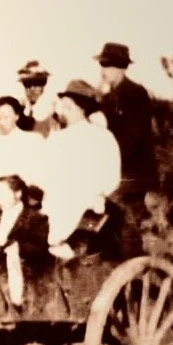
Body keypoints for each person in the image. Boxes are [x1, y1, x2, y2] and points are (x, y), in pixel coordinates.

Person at [39, 79, 122, 259]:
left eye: (68, 107)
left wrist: (93, 193)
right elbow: (44, 174)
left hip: (85, 206)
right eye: (63, 106)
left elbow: (111, 177)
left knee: (71, 246)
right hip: (58, 203)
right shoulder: (56, 139)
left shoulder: (102, 137)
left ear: (81, 108)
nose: (64, 111)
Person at [93, 42, 157, 257]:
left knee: (124, 215)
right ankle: (115, 261)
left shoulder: (135, 93)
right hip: (117, 169)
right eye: (102, 65)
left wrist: (109, 161)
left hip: (133, 172)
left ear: (121, 67)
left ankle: (135, 266)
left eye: (108, 65)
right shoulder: (109, 96)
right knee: (110, 216)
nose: (103, 70)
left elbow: (134, 137)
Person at [0, 174, 50, 265]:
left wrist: (14, 248)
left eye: (2, 192)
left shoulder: (37, 219)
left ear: (18, 193)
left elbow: (39, 251)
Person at [0, 96, 46, 191]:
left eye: (6, 117)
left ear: (17, 116)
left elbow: (36, 173)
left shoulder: (32, 140)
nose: (2, 121)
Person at [16, 60, 57, 136]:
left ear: (44, 84)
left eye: (37, 83)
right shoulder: (19, 107)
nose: (32, 88)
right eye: (27, 84)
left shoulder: (52, 108)